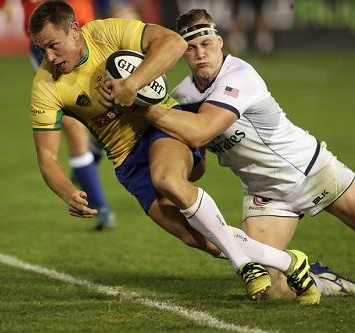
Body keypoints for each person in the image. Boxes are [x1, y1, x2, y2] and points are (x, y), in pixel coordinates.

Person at [29, 1, 320, 304]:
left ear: (74, 31)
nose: (48, 57)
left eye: (53, 46)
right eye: (41, 50)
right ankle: (290, 262)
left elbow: (173, 42)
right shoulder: (45, 86)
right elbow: (47, 158)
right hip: (128, 161)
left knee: (167, 178)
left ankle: (245, 264)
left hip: (163, 128)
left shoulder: (105, 33)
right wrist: (66, 193)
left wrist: (132, 85)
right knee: (198, 238)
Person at [143, 8, 355, 300]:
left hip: (309, 169)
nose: (200, 53)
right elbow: (198, 162)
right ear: (182, 53)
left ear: (219, 42)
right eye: (191, 48)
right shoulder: (183, 97)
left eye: (205, 43)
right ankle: (329, 282)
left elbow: (201, 131)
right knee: (270, 291)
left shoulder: (240, 75)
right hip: (263, 193)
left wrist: (144, 107)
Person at [0, 0, 116, 230]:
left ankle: (95, 147)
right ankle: (100, 208)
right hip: (49, 48)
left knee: (107, 110)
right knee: (73, 128)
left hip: (88, 38)